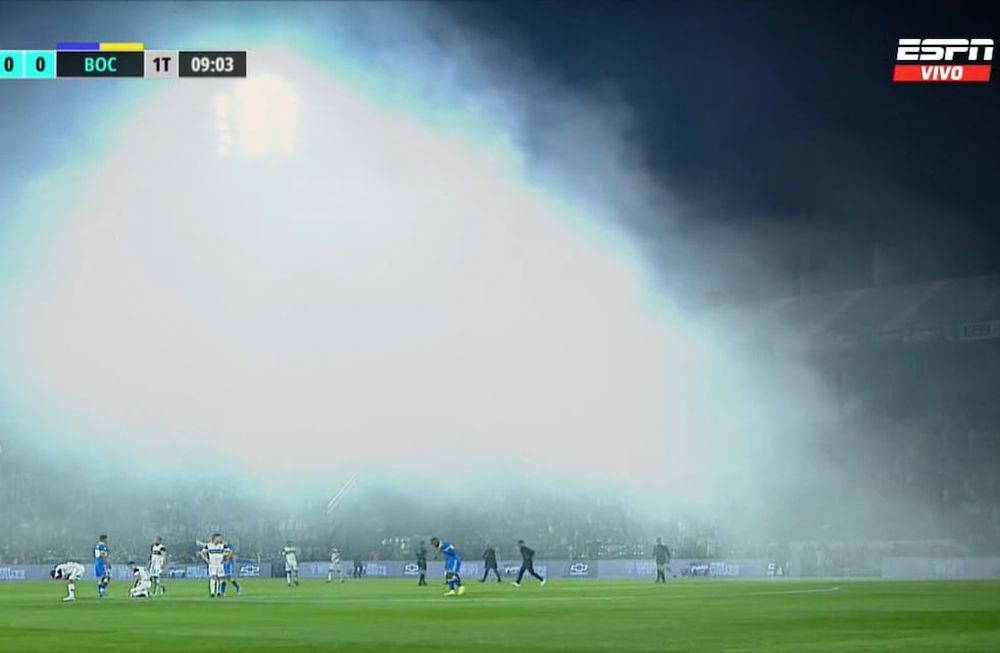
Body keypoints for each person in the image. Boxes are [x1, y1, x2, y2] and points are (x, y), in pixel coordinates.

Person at [200, 533, 226, 598]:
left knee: (219, 578)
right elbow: (202, 553)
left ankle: (218, 592)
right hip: (212, 564)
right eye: (218, 538)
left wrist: (225, 560)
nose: (220, 539)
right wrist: (206, 560)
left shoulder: (222, 545)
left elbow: (229, 552)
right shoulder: (209, 545)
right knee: (213, 577)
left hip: (220, 564)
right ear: (214, 538)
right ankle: (212, 593)